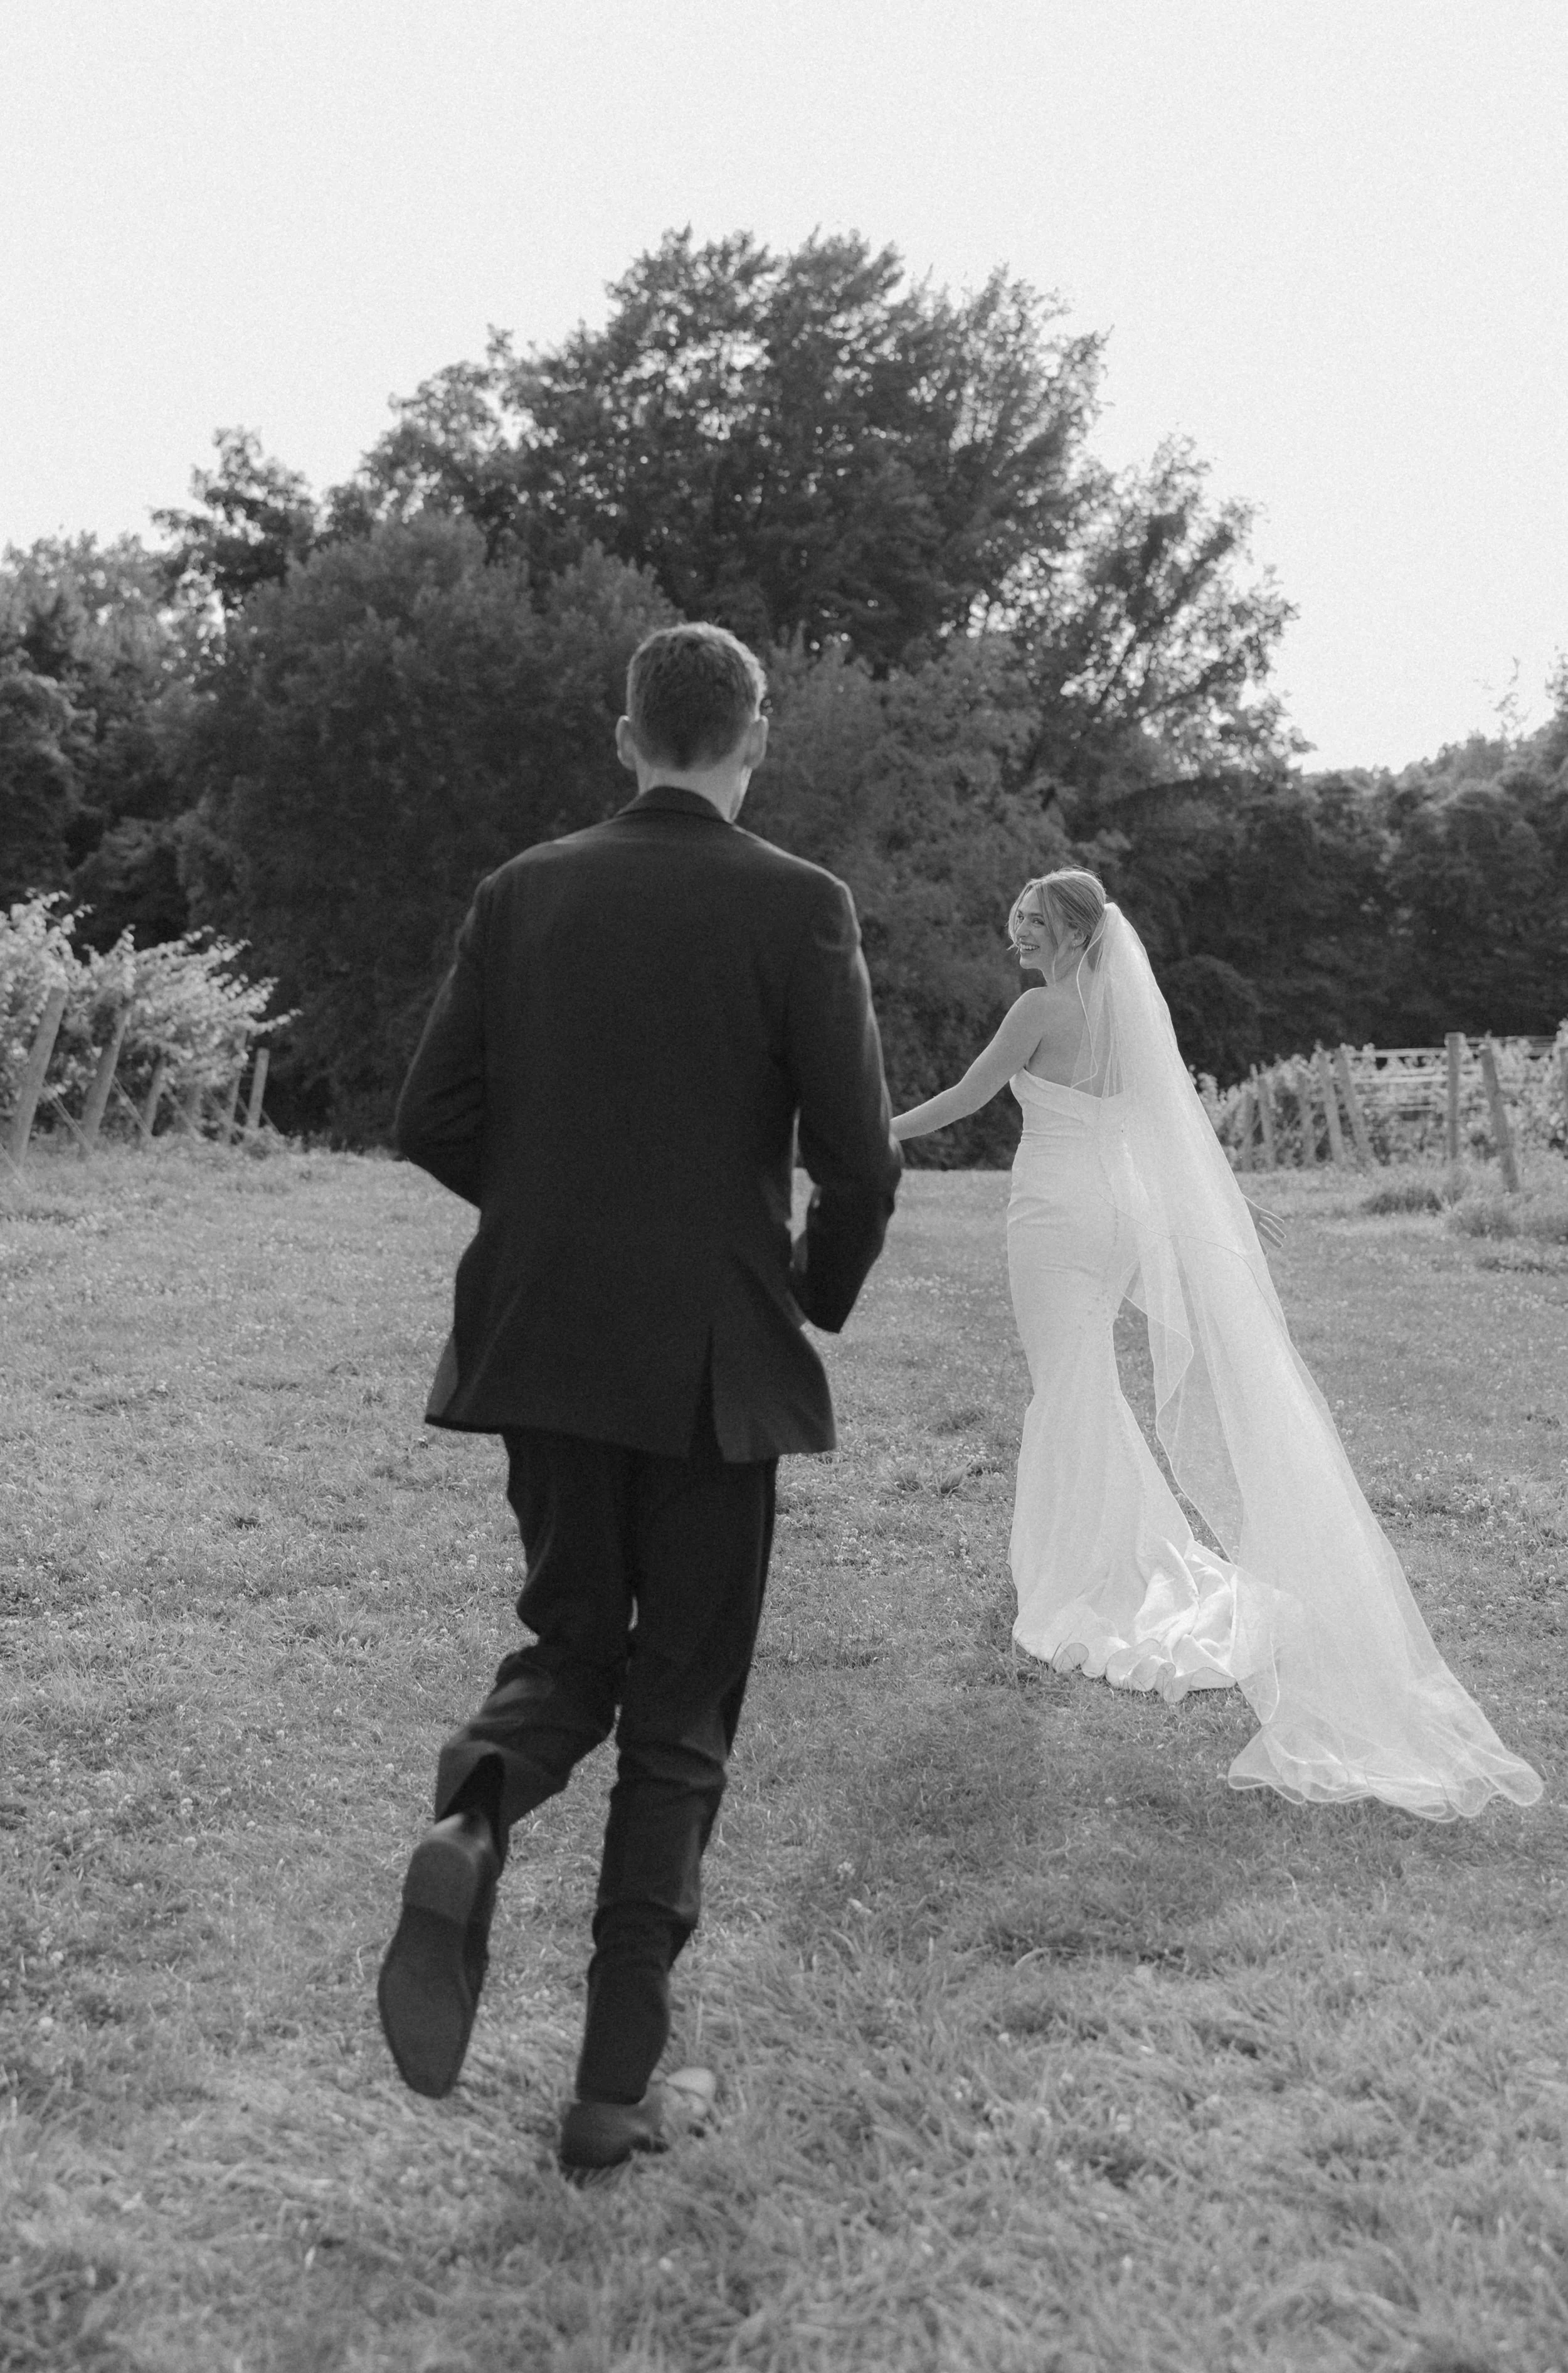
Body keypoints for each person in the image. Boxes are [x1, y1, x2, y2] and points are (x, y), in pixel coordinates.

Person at [378, 622, 901, 2169]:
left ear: (626, 736)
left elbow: (431, 1115)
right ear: (755, 739)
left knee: (566, 1641)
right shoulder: (800, 903)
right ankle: (615, 2086)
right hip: (708, 1366)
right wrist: (807, 1286)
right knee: (678, 1710)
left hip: (544, 1342)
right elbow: (861, 1160)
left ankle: (471, 1813)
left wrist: (548, 1211)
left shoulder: (521, 889)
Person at [891, 868, 1540, 1820]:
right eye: (1016, 923)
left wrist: (876, 1128)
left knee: (1065, 1384)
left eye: (1031, 924)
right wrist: (1235, 1206)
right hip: (1118, 1215)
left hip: (1055, 1217)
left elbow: (966, 1095)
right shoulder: (1124, 1018)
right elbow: (1173, 1132)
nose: (1016, 938)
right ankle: (1100, 1546)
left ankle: (1086, 1567)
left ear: (1071, 931)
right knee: (1083, 1382)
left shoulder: (1040, 1010)